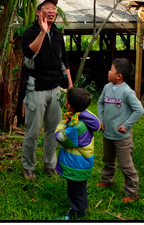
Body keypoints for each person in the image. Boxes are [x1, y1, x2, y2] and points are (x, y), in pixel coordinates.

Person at [21, 0, 73, 181]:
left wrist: (70, 87)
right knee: (33, 132)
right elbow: (29, 53)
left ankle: (50, 164)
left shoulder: (58, 34)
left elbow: (64, 60)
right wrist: (42, 32)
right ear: (38, 12)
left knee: (54, 130)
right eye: (47, 6)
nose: (52, 10)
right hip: (36, 88)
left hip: (55, 88)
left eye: (54, 7)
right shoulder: (29, 32)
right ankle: (28, 166)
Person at [97, 58, 144, 203]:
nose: (108, 72)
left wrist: (127, 125)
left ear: (119, 76)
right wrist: (101, 119)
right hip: (108, 134)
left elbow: (139, 110)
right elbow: (100, 103)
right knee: (108, 159)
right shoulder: (107, 88)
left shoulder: (127, 92)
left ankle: (131, 192)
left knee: (126, 165)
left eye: (111, 69)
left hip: (122, 137)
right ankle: (107, 180)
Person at [54, 87, 100, 220]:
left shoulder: (76, 126)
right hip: (83, 163)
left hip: (76, 166)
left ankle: (76, 214)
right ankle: (82, 207)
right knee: (80, 188)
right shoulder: (85, 115)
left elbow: (62, 138)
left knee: (74, 191)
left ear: (69, 105)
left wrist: (62, 124)